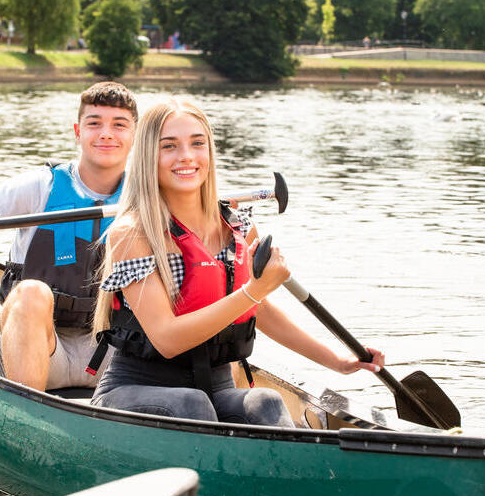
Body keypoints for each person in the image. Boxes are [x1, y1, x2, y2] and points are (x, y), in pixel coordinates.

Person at [87, 100, 385, 426]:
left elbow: (259, 310)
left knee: (267, 402)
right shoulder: (132, 234)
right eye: (169, 146)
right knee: (192, 404)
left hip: (215, 388)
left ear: (210, 152)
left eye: (197, 143)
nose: (186, 155)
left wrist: (338, 362)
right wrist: (254, 291)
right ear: (148, 158)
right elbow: (167, 340)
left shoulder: (237, 225)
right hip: (135, 389)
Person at [0, 82, 138, 392]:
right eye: (94, 123)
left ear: (135, 135)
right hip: (41, 350)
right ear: (77, 131)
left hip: (114, 357)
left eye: (119, 125)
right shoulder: (39, 186)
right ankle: (28, 416)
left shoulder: (147, 196)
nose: (106, 133)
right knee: (30, 293)